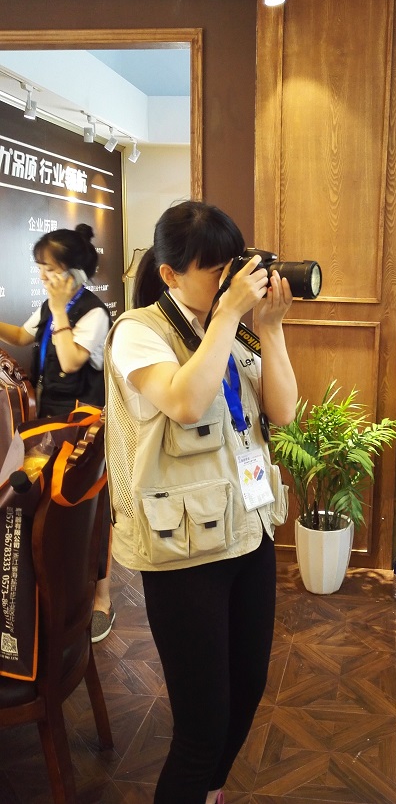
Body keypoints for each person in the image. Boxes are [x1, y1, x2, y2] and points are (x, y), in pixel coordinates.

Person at [103, 201, 297, 804]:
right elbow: (185, 403)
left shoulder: (231, 328)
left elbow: (283, 411)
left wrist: (271, 327)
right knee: (201, 723)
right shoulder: (138, 331)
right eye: (215, 269)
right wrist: (230, 314)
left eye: (232, 264)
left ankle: (210, 792)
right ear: (170, 274)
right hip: (183, 552)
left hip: (248, 531)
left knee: (248, 688)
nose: (230, 280)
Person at [0, 224, 115, 641]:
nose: (43, 277)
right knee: (51, 511)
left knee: (91, 507)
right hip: (50, 422)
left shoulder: (93, 313)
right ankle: (60, 596)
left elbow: (69, 361)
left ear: (72, 272)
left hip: (84, 427)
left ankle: (102, 598)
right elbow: (23, 335)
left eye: (49, 269)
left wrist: (61, 310)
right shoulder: (52, 306)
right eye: (40, 269)